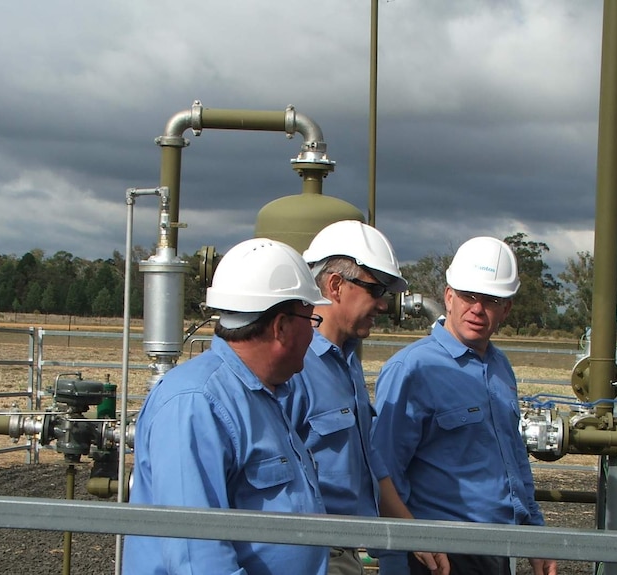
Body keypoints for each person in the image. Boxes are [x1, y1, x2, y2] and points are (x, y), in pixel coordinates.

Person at [123, 237, 332, 575]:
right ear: (281, 327)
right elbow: (196, 558)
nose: (312, 335)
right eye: (310, 320)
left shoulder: (264, 395)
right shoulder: (194, 403)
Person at [371, 236, 558, 575]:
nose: (477, 308)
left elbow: (514, 460)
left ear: (507, 308)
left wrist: (535, 535)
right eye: (469, 296)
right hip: (436, 555)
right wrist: (401, 551)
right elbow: (384, 471)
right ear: (449, 297)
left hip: (496, 551)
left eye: (490, 300)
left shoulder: (500, 368)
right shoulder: (412, 369)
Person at [284, 220, 449, 575]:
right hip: (309, 551)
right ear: (335, 285)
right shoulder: (293, 366)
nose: (384, 305)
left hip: (344, 549)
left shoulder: (347, 360)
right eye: (376, 291)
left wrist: (411, 532)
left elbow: (369, 458)